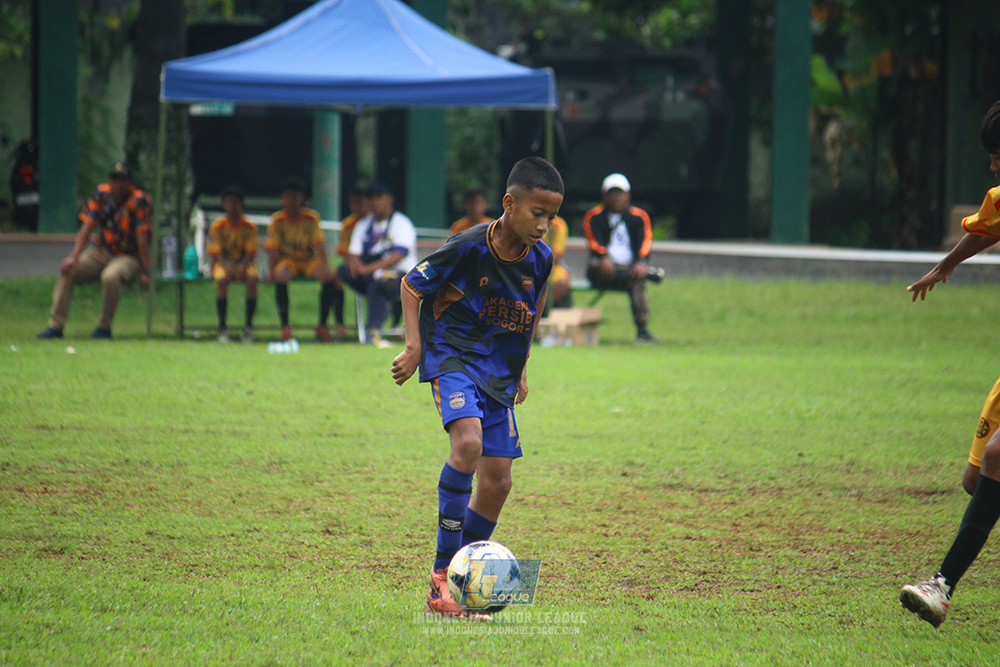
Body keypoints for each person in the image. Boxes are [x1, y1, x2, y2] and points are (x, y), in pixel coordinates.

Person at [391, 157, 563, 619]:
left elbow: (535, 306)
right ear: (509, 204)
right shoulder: (468, 245)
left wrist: (523, 366)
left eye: (552, 216)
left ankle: (466, 581)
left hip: (499, 370)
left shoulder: (541, 259)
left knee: (499, 482)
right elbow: (411, 284)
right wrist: (413, 347)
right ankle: (441, 579)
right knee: (467, 444)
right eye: (537, 214)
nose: (544, 225)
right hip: (452, 354)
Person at [900, 99, 1000, 628]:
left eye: (998, 155)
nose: (993, 165)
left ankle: (940, 587)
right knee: (976, 478)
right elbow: (986, 229)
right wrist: (944, 266)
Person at [37, 161, 152, 340]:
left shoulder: (139, 200)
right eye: (115, 179)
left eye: (123, 180)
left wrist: (146, 271)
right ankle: (55, 326)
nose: (118, 185)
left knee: (110, 276)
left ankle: (103, 328)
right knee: (69, 270)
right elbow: (86, 228)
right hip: (102, 251)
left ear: (131, 182)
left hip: (129, 255)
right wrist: (73, 257)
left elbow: (142, 238)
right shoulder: (102, 195)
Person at [582, 173, 664, 343]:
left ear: (628, 196)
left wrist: (641, 262)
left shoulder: (639, 217)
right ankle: (650, 274)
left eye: (620, 193)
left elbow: (645, 242)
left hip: (630, 269)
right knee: (596, 264)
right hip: (603, 270)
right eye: (612, 193)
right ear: (604, 196)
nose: (616, 198)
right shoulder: (594, 216)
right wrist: (604, 257)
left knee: (638, 278)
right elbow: (594, 241)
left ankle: (642, 329)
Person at [338, 181, 416, 347]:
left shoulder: (401, 223)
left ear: (390, 199)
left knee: (379, 284)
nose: (376, 202)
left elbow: (397, 255)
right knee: (343, 271)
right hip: (370, 275)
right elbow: (353, 252)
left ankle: (373, 330)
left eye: (379, 197)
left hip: (400, 276)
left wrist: (367, 269)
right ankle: (373, 329)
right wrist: (354, 265)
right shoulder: (363, 224)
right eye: (371, 198)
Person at [264, 176, 339, 342]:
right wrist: (270, 272)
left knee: (328, 277)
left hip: (308, 261)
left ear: (302, 198)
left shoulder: (311, 218)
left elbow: (319, 245)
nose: (292, 201)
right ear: (282, 199)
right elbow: (272, 249)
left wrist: (325, 266)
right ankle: (285, 326)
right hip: (288, 261)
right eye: (288, 196)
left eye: (295, 196)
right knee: (281, 275)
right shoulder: (277, 220)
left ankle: (322, 325)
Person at [206, 186, 258, 343]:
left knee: (252, 280)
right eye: (229, 202)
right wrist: (227, 266)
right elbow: (215, 252)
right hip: (222, 263)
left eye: (236, 202)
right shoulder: (217, 225)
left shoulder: (249, 226)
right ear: (223, 205)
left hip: (243, 263)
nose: (232, 206)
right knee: (222, 281)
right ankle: (222, 328)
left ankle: (248, 327)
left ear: (242, 204)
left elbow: (250, 252)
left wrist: (242, 267)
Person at [542, 214, 571, 308]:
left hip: (549, 267)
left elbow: (556, 257)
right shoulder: (523, 222)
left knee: (561, 282)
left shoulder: (557, 225)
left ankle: (545, 311)